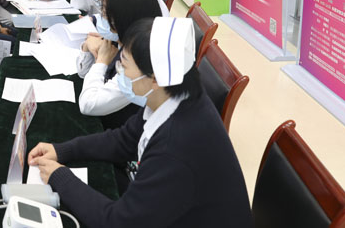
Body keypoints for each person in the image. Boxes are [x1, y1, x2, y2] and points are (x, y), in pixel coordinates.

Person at [28, 16, 253, 227]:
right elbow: (124, 139)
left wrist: (60, 177)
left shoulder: (175, 146)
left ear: (155, 78)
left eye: (124, 65)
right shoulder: (172, 95)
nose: (119, 71)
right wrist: (63, 150)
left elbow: (118, 222)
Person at [79, 0, 164, 133]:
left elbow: (88, 105)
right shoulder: (116, 41)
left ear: (122, 19)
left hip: (119, 131)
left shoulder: (139, 62)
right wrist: (86, 47)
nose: (101, 17)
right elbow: (83, 73)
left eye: (105, 12)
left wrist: (101, 61)